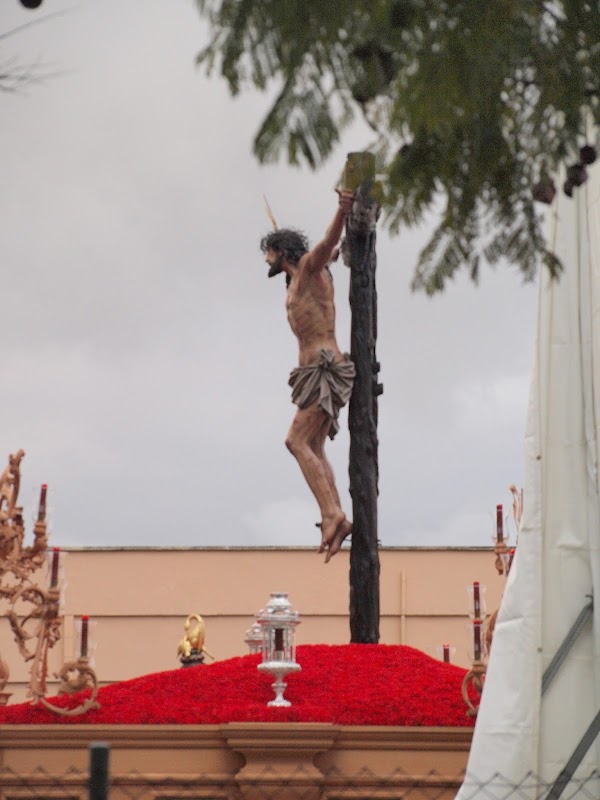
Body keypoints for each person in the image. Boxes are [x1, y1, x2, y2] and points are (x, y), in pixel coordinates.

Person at [260, 189, 355, 562]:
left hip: (323, 370)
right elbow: (332, 250)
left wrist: (343, 208)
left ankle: (332, 513)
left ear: (281, 251)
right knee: (313, 446)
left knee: (295, 442)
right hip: (312, 372)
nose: (265, 259)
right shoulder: (301, 278)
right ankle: (334, 514)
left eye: (268, 251)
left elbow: (327, 243)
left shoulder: (311, 269)